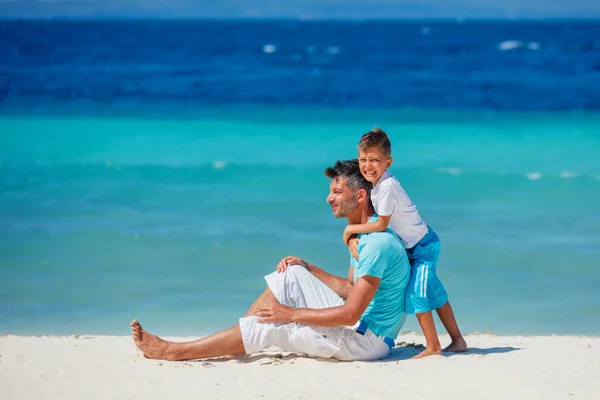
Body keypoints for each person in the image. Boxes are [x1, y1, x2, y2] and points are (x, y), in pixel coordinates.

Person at [130, 159, 411, 362]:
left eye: (337, 192)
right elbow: (353, 288)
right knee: (290, 272)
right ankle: (239, 339)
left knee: (275, 325)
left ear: (360, 196)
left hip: (366, 342)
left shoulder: (376, 243)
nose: (328, 198)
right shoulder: (364, 234)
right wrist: (308, 268)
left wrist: (291, 314)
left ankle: (173, 351)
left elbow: (350, 313)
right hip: (361, 324)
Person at [341, 127, 467, 359]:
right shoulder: (378, 185)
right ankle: (458, 341)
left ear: (388, 162)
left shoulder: (387, 187)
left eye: (375, 160)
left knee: (417, 295)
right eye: (363, 160)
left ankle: (433, 347)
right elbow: (377, 220)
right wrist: (354, 238)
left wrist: (350, 229)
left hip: (423, 248)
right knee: (435, 293)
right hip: (418, 245)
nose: (367, 166)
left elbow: (380, 225)